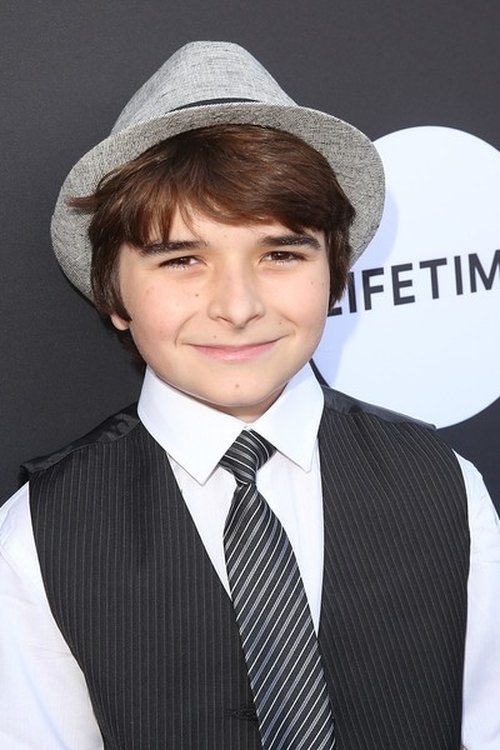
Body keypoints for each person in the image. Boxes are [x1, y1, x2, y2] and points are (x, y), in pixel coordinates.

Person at [0, 41, 498, 750]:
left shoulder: (444, 484)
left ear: (335, 273)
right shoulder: (36, 538)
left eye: (280, 254)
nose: (237, 307)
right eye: (182, 259)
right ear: (114, 294)